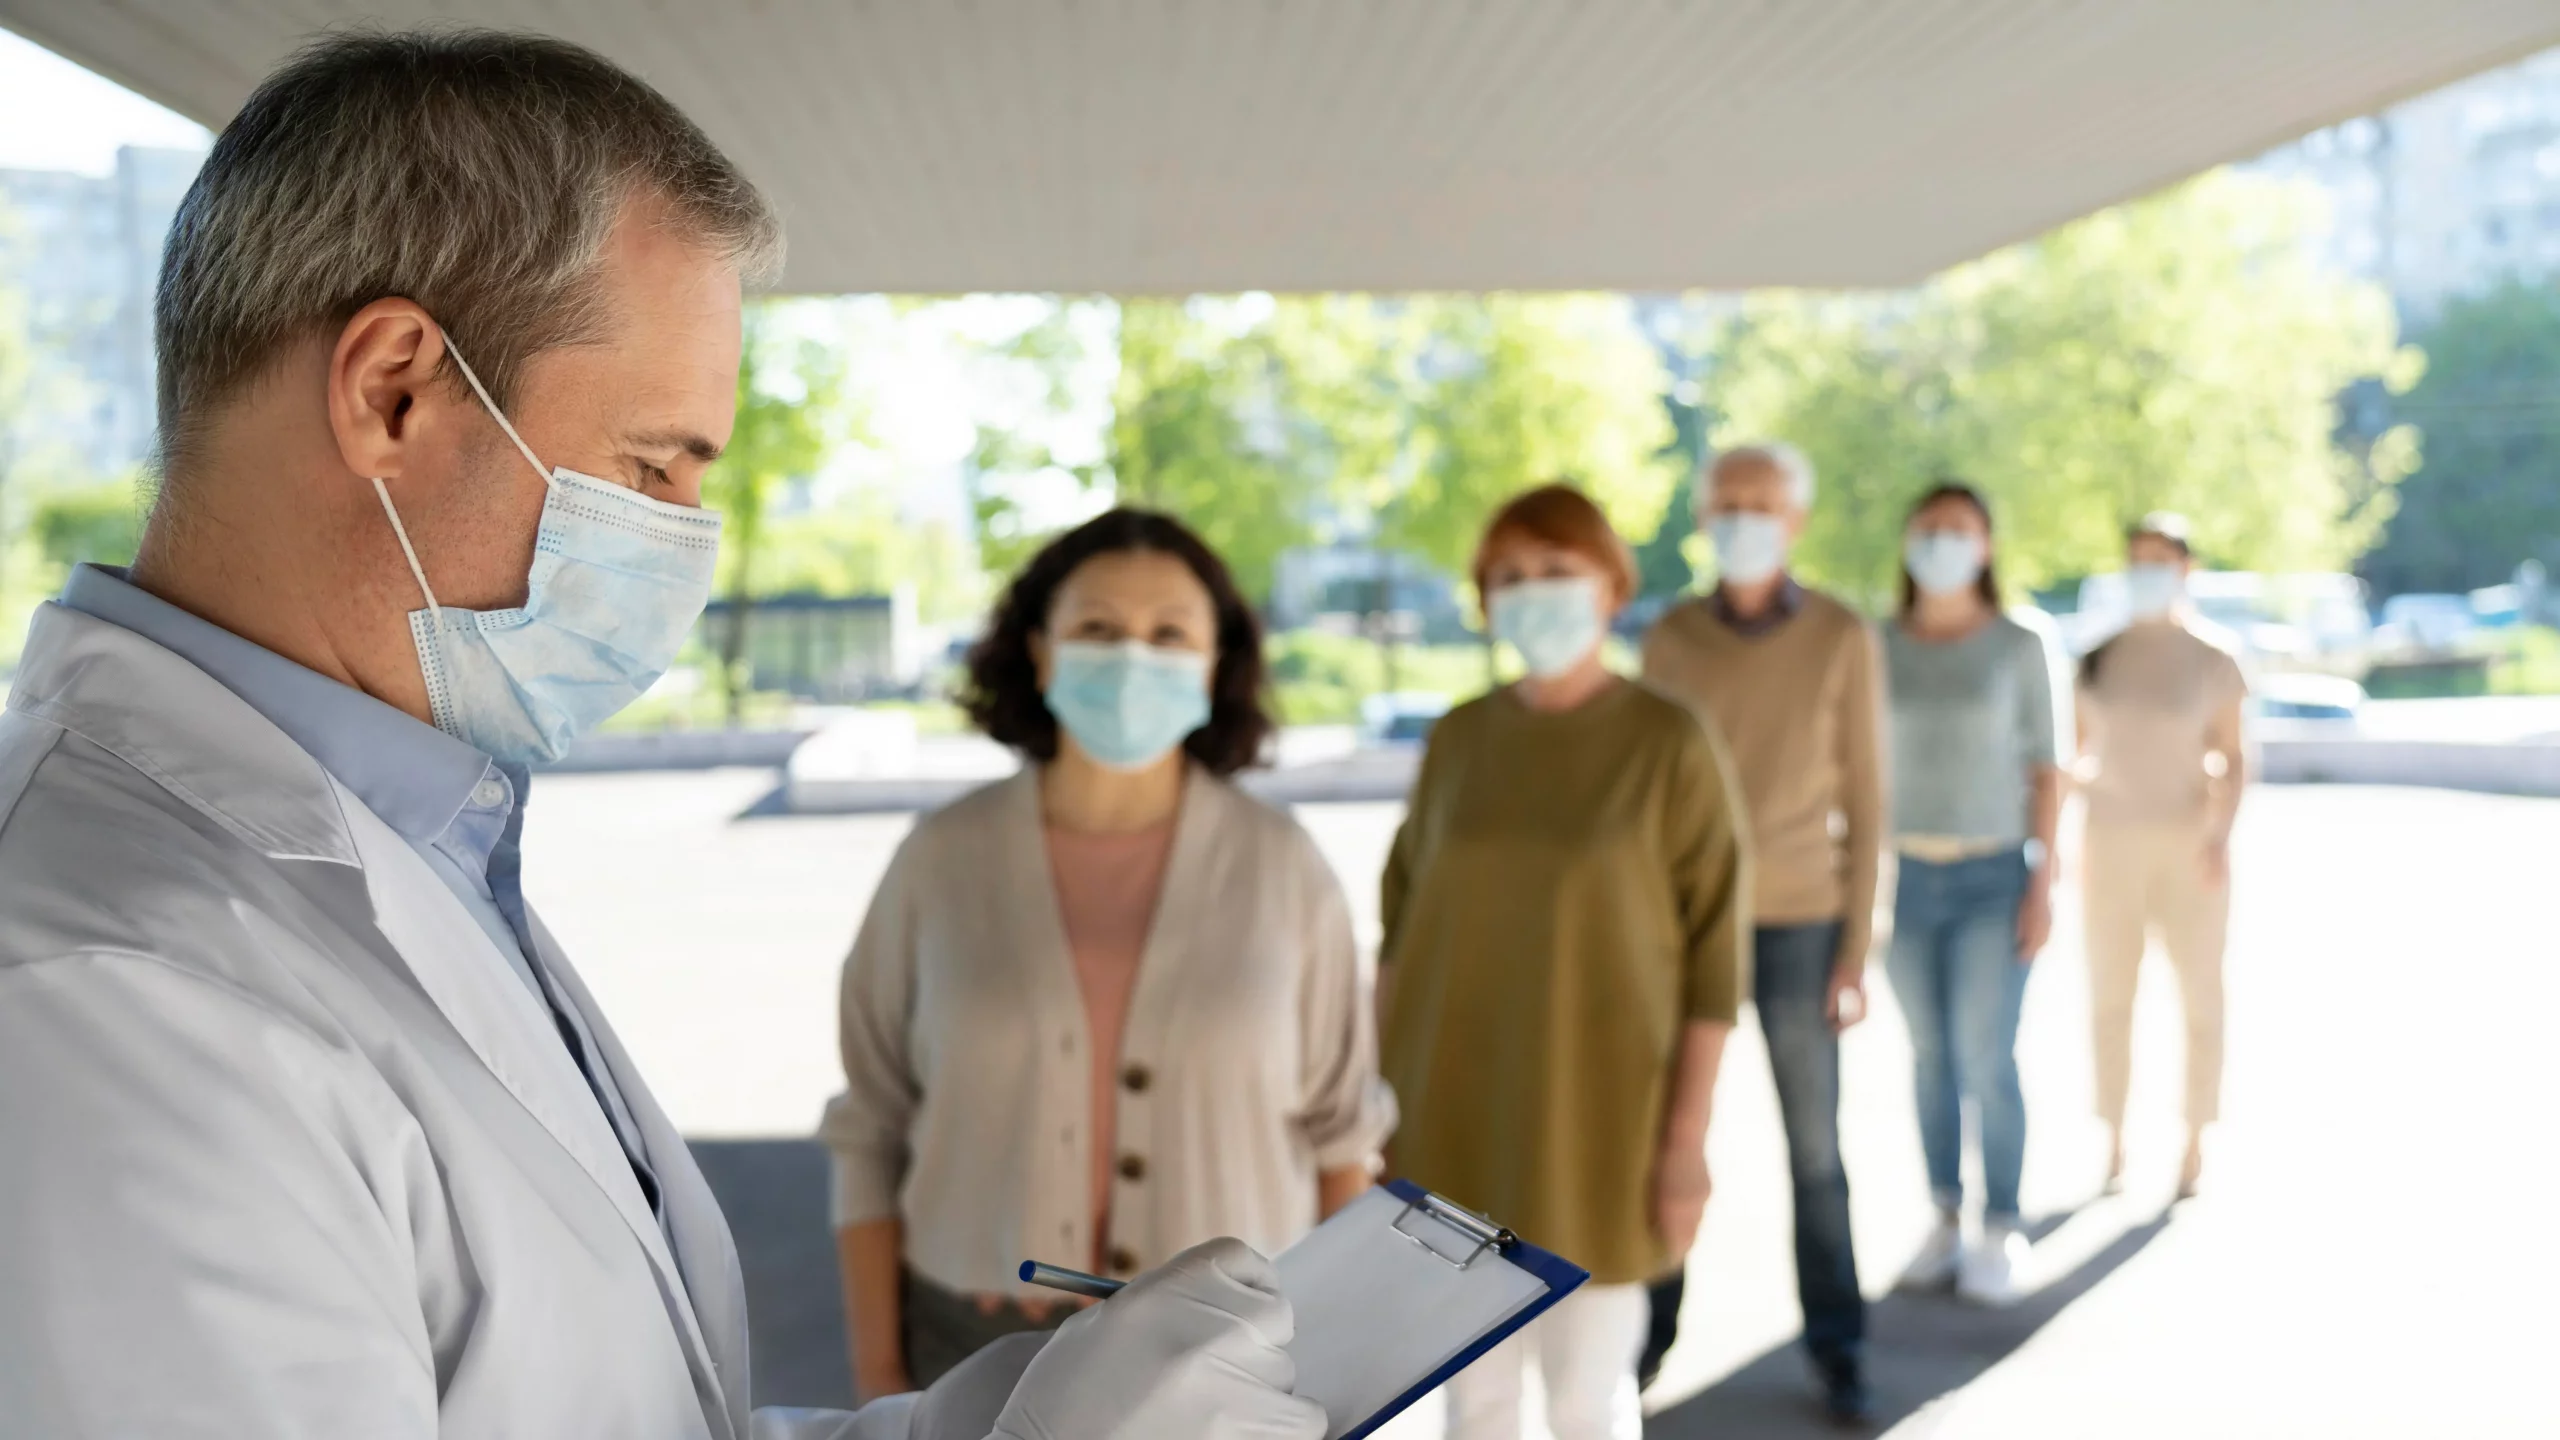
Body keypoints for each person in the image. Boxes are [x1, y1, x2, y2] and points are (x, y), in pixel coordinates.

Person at [0, 31, 1324, 1440]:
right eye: (650, 467)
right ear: (394, 388)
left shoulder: (415, 832)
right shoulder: (99, 988)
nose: (684, 540)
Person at [824, 508, 1394, 1398]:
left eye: (1170, 633)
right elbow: (869, 1129)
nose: (1133, 656)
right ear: (1041, 652)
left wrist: (1341, 1371)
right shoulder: (939, 859)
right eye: (1096, 628)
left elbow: (1342, 1138)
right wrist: (879, 1376)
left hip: (1230, 1361)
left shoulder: (1286, 867)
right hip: (967, 1359)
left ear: (1215, 665)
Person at [1380, 483, 1747, 1440]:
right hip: (1452, 1122)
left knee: (1589, 1397)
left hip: (1601, 1129)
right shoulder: (1459, 738)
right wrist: (1374, 1122)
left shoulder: (1667, 742)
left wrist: (1684, 1146)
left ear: (1611, 584)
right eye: (1509, 576)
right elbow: (1402, 930)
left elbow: (1713, 963)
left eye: (1555, 570)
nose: (1532, 592)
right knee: (1475, 1402)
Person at [1639, 442, 1882, 1423]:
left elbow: (1869, 798)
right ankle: (1644, 1344)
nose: (1742, 518)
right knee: (1663, 1136)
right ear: (1703, 516)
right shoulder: (1668, 638)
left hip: (1800, 923)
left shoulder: (1839, 636)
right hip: (1680, 924)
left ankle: (1838, 1347)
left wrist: (1855, 948)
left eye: (1762, 504)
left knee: (1813, 1152)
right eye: (1726, 503)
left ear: (1795, 520)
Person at [1880, 483, 2069, 1306]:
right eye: (1928, 528)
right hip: (1906, 879)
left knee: (1987, 1055)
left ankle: (2001, 1223)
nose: (1942, 543)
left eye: (1959, 530)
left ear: (1986, 545)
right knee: (1929, 1057)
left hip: (1996, 876)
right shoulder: (1876, 643)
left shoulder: (2022, 642)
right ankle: (1945, 1217)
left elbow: (2046, 771)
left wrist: (2044, 883)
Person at [2075, 512, 2248, 1201]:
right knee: (2110, 997)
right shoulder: (2097, 656)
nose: (2145, 570)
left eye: (2159, 558)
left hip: (2189, 847)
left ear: (2185, 567)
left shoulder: (2214, 658)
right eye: (2135, 558)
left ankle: (2194, 1138)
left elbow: (2234, 757)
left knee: (2201, 996)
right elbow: (2077, 754)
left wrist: (2219, 837)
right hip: (2110, 845)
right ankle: (2113, 1137)